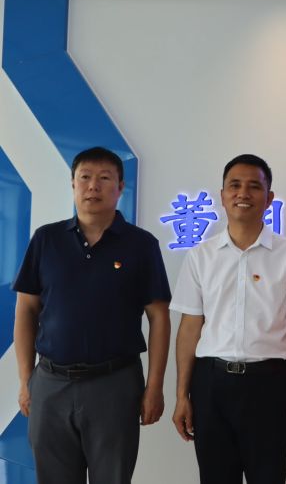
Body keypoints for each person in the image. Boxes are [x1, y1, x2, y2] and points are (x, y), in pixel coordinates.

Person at [13, 146, 171, 484]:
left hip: (114, 384)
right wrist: (27, 380)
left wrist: (154, 386)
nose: (93, 186)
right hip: (51, 383)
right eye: (85, 177)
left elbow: (159, 317)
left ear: (120, 187)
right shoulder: (46, 239)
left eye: (104, 178)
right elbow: (26, 309)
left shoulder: (141, 245)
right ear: (73, 184)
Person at [170, 154, 286, 483]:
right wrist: (181, 396)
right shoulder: (201, 255)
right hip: (210, 384)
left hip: (269, 384)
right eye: (234, 185)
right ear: (222, 195)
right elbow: (189, 329)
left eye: (254, 187)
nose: (243, 193)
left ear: (269, 198)